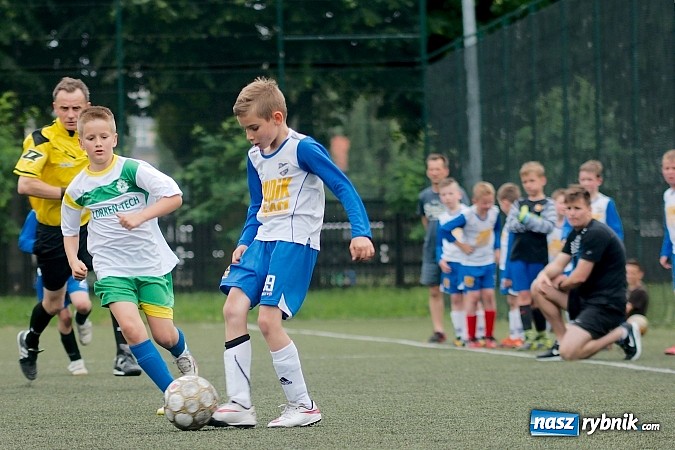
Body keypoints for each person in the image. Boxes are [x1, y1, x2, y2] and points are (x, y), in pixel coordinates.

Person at [211, 77, 375, 429]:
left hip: (294, 242)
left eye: (254, 128)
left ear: (277, 117)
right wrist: (244, 240)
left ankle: (303, 406)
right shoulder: (254, 156)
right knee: (233, 309)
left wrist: (361, 232)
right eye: (245, 130)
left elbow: (343, 187)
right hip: (262, 241)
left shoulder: (304, 149)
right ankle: (239, 405)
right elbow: (256, 205)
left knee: (267, 321)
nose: (249, 136)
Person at [61, 106, 197, 394]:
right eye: (91, 138)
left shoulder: (133, 170)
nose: (98, 143)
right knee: (133, 330)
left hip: (150, 265)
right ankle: (173, 394)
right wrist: (73, 259)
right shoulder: (77, 189)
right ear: (81, 143)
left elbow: (174, 196)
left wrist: (141, 216)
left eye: (104, 137)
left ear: (114, 138)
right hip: (112, 269)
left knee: (164, 336)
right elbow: (70, 230)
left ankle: (183, 353)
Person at [13, 77, 140, 380]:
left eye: (77, 108)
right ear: (54, 108)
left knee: (115, 277)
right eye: (64, 108)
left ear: (88, 107)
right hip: (54, 231)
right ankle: (30, 339)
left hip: (93, 225)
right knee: (53, 302)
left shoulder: (93, 137)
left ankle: (124, 355)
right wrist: (69, 195)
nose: (71, 114)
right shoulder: (41, 139)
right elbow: (25, 184)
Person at [531, 185, 641, 362]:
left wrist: (560, 284)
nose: (572, 213)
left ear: (589, 209)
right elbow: (558, 264)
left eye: (577, 208)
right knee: (538, 287)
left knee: (570, 353)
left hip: (606, 305)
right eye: (569, 208)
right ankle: (561, 342)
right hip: (586, 300)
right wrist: (543, 275)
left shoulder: (596, 233)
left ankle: (622, 332)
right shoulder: (576, 234)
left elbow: (578, 277)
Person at [19, 210, 91, 375]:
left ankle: (82, 321)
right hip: (51, 266)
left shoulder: (78, 209)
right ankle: (76, 361)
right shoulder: (39, 213)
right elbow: (23, 241)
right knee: (63, 316)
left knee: (83, 305)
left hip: (73, 267)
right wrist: (44, 247)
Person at [437, 182, 501, 348]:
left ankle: (489, 336)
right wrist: (461, 245)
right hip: (470, 264)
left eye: (490, 202)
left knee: (489, 296)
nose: (487, 206)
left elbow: (497, 229)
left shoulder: (494, 212)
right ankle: (471, 337)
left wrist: (497, 248)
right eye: (484, 203)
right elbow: (444, 230)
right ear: (475, 201)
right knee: (472, 298)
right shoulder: (468, 215)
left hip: (488, 262)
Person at [504, 161, 556, 350]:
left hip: (538, 257)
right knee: (523, 295)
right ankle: (528, 335)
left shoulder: (548, 204)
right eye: (525, 182)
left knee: (537, 295)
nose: (528, 185)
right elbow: (511, 225)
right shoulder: (518, 204)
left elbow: (548, 226)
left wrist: (527, 219)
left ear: (542, 180)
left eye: (532, 181)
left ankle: (542, 333)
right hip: (518, 256)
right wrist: (528, 222)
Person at [418, 153, 468, 343]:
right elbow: (425, 220)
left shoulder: (457, 192)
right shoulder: (424, 196)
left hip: (456, 251)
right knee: (434, 289)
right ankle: (439, 330)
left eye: (438, 169)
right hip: (432, 249)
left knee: (461, 292)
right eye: (431, 169)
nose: (434, 173)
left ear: (445, 171)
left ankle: (465, 331)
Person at [435, 178, 470, 346]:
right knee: (455, 299)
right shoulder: (441, 218)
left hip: (467, 262)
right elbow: (438, 243)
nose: (447, 197)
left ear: (459, 195)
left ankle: (474, 334)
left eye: (450, 193)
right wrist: (440, 259)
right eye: (443, 194)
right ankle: (460, 334)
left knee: (470, 298)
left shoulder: (468, 213)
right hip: (450, 264)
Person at [561, 160, 624, 240]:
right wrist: (565, 238)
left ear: (599, 181)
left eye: (589, 179)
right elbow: (567, 226)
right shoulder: (573, 202)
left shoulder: (606, 203)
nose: (586, 183)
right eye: (583, 180)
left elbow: (616, 231)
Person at [496, 182, 524, 348]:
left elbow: (513, 248)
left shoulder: (515, 220)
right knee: (511, 299)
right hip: (507, 266)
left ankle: (519, 335)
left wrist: (508, 272)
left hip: (512, 267)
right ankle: (514, 334)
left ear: (505, 202)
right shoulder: (510, 220)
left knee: (516, 300)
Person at [658, 149, 675, 356]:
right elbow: (668, 226)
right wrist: (666, 250)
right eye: (667, 168)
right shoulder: (667, 195)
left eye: (674, 168)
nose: (670, 172)